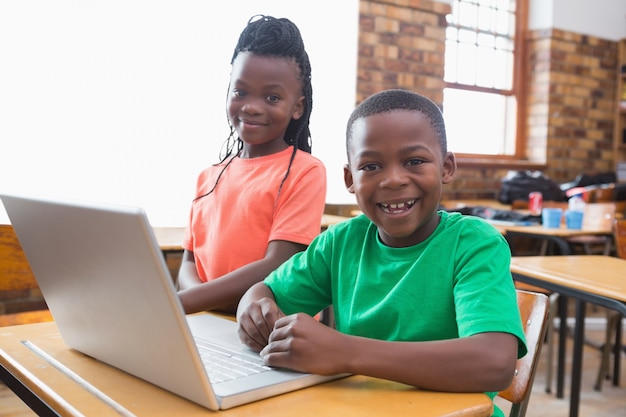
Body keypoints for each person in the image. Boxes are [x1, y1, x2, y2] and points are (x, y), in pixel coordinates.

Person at [236, 89, 527, 417]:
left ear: (446, 167)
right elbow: (265, 291)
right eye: (371, 166)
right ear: (350, 179)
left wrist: (346, 352)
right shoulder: (341, 242)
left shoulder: (474, 244)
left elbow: (495, 363)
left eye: (414, 161)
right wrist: (252, 311)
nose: (393, 180)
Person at [177, 15, 326, 315]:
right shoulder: (208, 177)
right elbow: (188, 263)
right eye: (240, 92)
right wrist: (192, 304)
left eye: (272, 96)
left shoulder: (305, 171)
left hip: (261, 332)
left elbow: (276, 264)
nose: (252, 106)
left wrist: (182, 304)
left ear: (297, 106)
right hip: (203, 323)